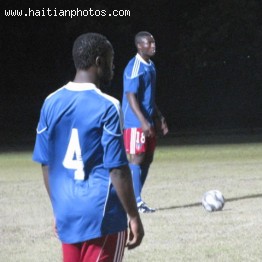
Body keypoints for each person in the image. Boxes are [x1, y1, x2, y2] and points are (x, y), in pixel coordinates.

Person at [32, 32, 144, 262]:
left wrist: (59, 207)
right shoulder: (108, 106)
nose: (114, 66)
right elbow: (118, 169)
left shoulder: (50, 103)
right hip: (101, 216)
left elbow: (46, 164)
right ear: (99, 62)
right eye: (111, 60)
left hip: (67, 211)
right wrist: (133, 216)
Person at [122, 31, 168, 213]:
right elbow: (131, 96)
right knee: (137, 157)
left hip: (147, 120)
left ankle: (136, 198)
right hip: (135, 121)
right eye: (149, 43)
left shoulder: (150, 66)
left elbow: (148, 97)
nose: (153, 45)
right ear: (140, 46)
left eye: (154, 42)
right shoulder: (134, 67)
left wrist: (158, 117)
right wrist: (142, 121)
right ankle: (135, 202)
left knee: (147, 158)